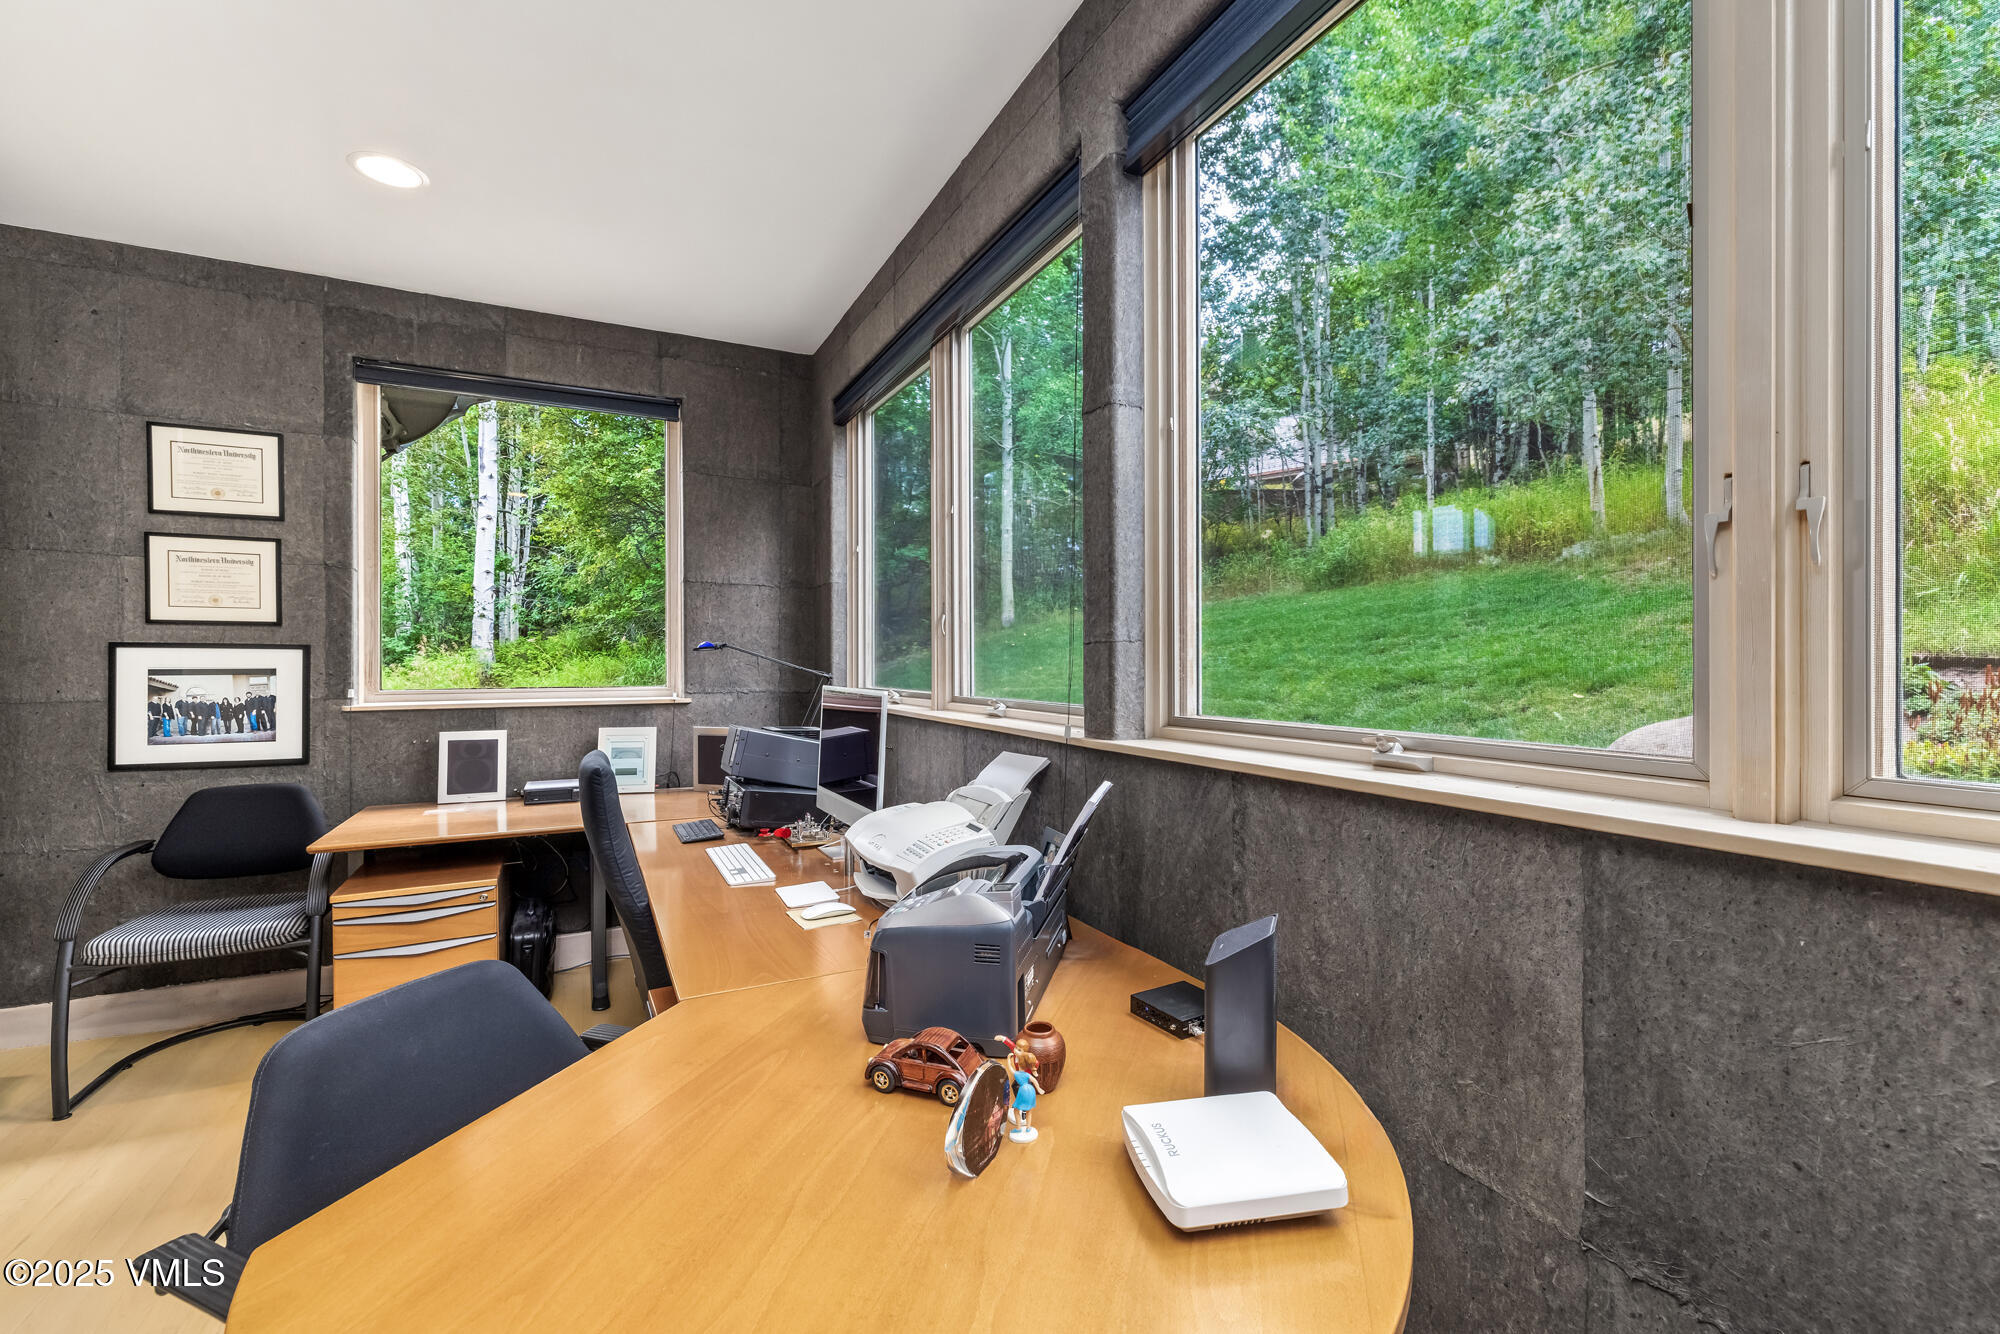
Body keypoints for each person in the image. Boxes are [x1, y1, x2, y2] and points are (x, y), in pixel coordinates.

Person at [994, 1035, 1045, 1143]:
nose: (1016, 1051)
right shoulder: (1015, 1051)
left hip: (1023, 1079)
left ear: (1025, 1052)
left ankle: (1022, 1111)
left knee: (1017, 1090)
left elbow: (1035, 1062)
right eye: (1016, 1049)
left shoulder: (1026, 1058)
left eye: (1019, 1050)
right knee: (1014, 1087)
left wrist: (1034, 1071)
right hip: (1022, 1079)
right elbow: (1010, 1044)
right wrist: (1002, 1038)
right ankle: (1025, 1119)